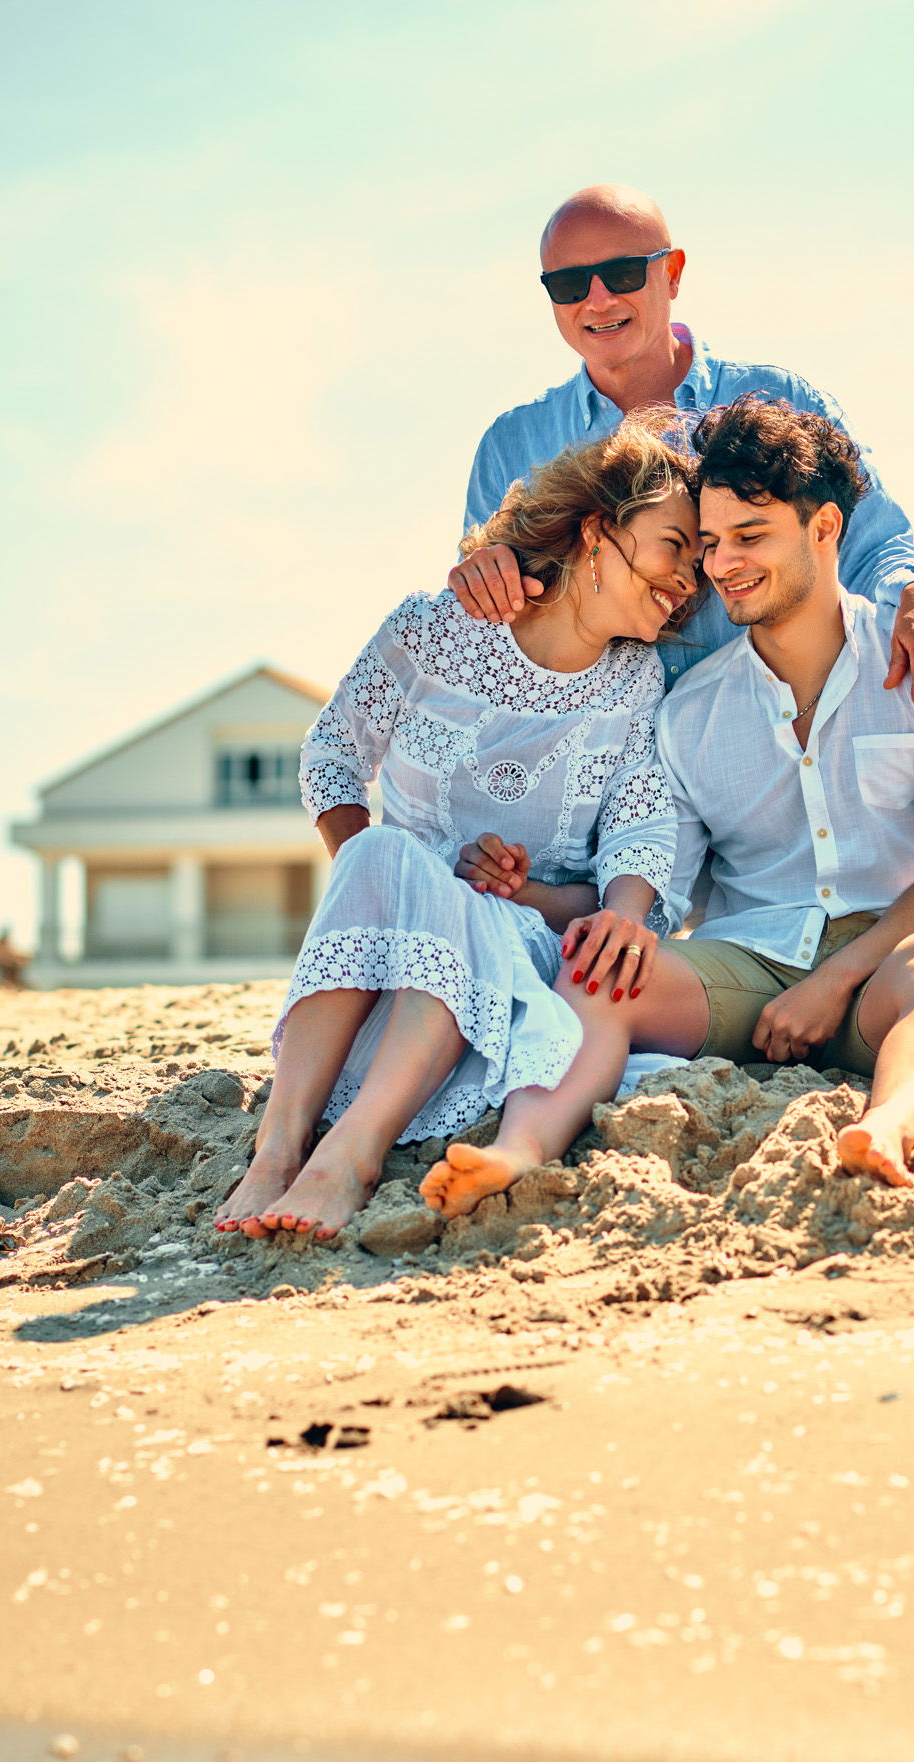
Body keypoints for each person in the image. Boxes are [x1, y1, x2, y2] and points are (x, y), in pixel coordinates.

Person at [425, 396, 914, 1214]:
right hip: (752, 969)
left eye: (751, 536)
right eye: (708, 543)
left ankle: (888, 1124)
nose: (723, 565)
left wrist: (835, 979)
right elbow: (654, 891)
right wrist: (520, 890)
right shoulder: (689, 712)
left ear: (824, 528)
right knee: (602, 968)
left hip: (894, 968)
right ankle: (520, 1147)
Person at [214, 414, 698, 1241]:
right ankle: (278, 1149)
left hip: (507, 972)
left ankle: (353, 1155)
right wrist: (390, 891)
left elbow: (639, 834)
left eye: (695, 563)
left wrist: (537, 894)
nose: (687, 580)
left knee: (463, 905)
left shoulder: (636, 680)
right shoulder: (432, 629)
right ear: (598, 531)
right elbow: (331, 755)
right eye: (673, 547)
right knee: (381, 850)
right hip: (370, 983)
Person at [449, 182, 914, 716]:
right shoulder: (510, 445)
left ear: (673, 273)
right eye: (568, 284)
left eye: (623, 273)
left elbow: (873, 546)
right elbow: (486, 637)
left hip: (778, 743)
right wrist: (480, 579)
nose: (598, 299)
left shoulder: (780, 400)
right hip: (601, 760)